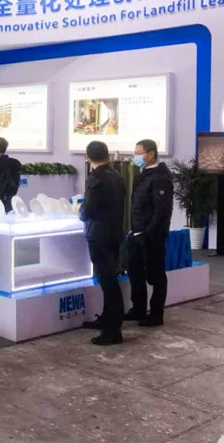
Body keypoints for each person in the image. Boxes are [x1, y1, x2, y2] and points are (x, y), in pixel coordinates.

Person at [79, 141, 126, 346]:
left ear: (88, 157)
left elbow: (88, 208)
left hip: (99, 235)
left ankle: (112, 330)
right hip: (114, 233)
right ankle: (107, 320)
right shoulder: (117, 175)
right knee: (109, 279)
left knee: (108, 282)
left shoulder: (95, 178)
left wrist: (79, 213)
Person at [126, 139, 174, 327]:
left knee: (156, 274)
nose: (136, 156)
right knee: (135, 271)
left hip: (152, 236)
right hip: (137, 233)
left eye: (139, 153)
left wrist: (147, 233)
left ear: (150, 154)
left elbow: (161, 211)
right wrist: (135, 231)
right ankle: (138, 308)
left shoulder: (160, 177)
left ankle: (156, 313)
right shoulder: (143, 174)